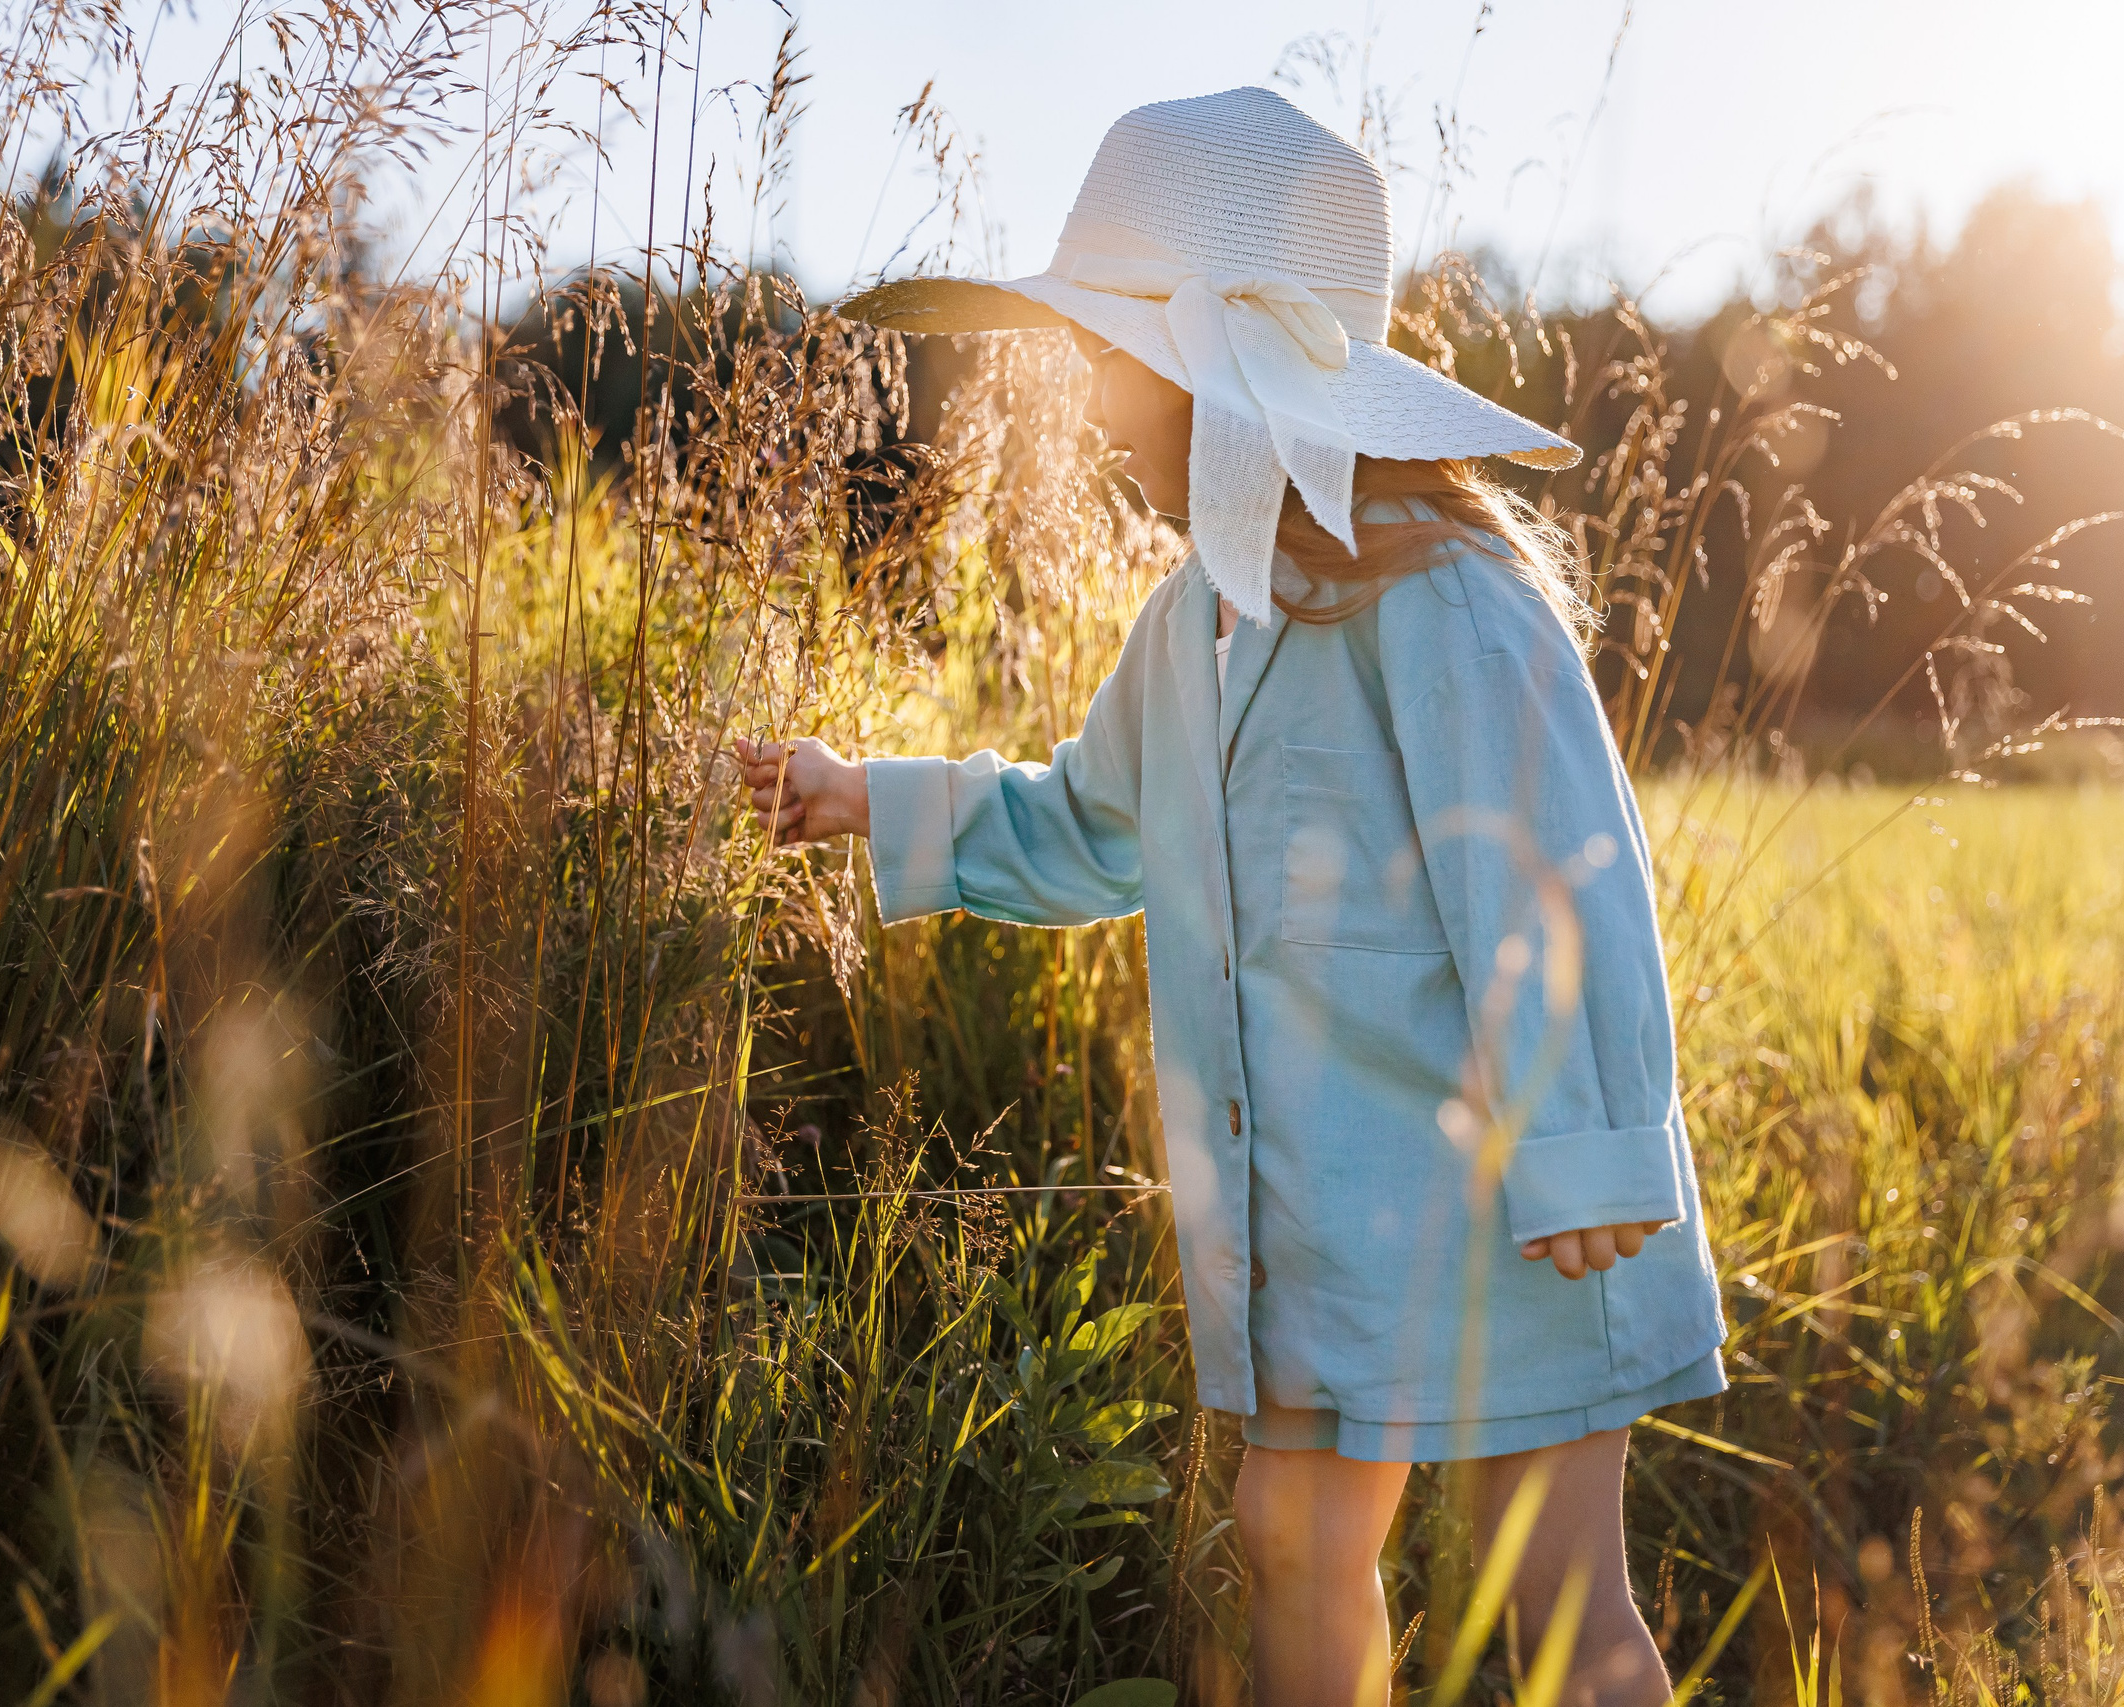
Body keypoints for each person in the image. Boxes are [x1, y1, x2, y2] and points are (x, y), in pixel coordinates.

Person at [736, 89, 1727, 1707]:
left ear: (1223, 369)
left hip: (1525, 1208)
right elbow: (1086, 826)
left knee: (1555, 1604)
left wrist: (1592, 1151)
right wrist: (868, 797)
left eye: (1110, 355)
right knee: (1289, 1541)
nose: (1094, 399)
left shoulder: (1450, 601)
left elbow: (1560, 881)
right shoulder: (1194, 623)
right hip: (1330, 1226)